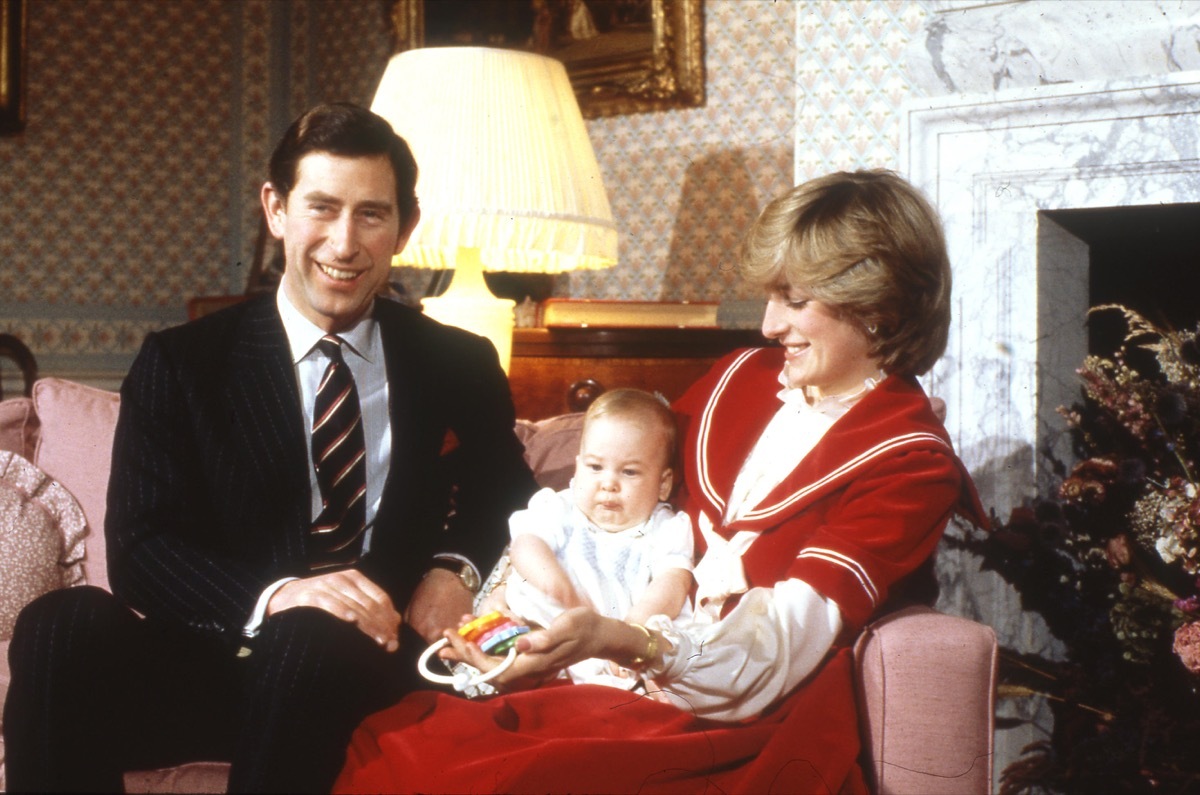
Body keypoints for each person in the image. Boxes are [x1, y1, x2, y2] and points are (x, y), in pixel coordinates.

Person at [333, 169, 989, 794]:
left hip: (739, 715)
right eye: (770, 296)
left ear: (876, 307)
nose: (768, 325)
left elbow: (775, 654)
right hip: (610, 677)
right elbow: (607, 496)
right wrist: (511, 607)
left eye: (794, 300)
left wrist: (617, 639)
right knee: (393, 743)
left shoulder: (910, 461)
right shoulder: (743, 375)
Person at [2, 103, 539, 793]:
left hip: (365, 665)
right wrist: (283, 593)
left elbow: (509, 492)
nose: (344, 243)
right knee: (58, 623)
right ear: (276, 209)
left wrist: (454, 568)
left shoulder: (455, 361)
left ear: (405, 227)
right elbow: (143, 552)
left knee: (311, 638)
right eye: (321, 207)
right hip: (215, 649)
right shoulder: (183, 361)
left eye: (371, 215)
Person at [480, 387, 693, 689]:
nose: (608, 484)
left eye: (629, 472)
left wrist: (629, 631)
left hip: (618, 651)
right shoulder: (559, 508)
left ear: (663, 483)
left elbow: (672, 584)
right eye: (595, 467)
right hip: (544, 628)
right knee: (509, 627)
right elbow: (527, 544)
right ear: (577, 467)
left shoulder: (666, 527)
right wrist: (559, 586)